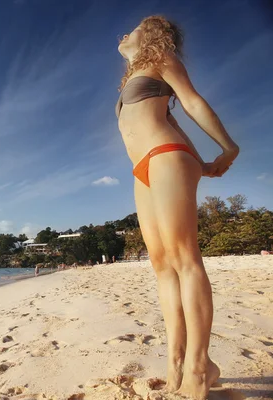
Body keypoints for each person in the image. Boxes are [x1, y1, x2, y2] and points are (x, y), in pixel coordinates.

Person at [116, 16, 239, 400]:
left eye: (133, 28)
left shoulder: (161, 57)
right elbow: (169, 117)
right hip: (146, 167)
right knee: (162, 266)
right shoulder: (135, 76)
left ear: (151, 34)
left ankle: (199, 369)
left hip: (165, 155)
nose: (125, 33)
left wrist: (227, 147)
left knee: (185, 258)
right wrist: (199, 161)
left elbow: (191, 102)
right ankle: (176, 363)